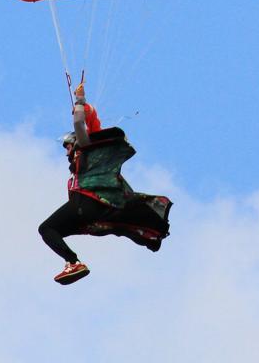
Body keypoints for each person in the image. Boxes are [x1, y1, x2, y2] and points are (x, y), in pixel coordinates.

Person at [37, 80, 173, 285]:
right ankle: (73, 263)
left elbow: (80, 124)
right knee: (50, 231)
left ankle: (73, 262)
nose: (66, 152)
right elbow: (91, 122)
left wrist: (80, 101)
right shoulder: (79, 167)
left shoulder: (86, 148)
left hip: (86, 205)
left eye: (67, 146)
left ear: (75, 142)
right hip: (91, 212)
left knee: (46, 228)